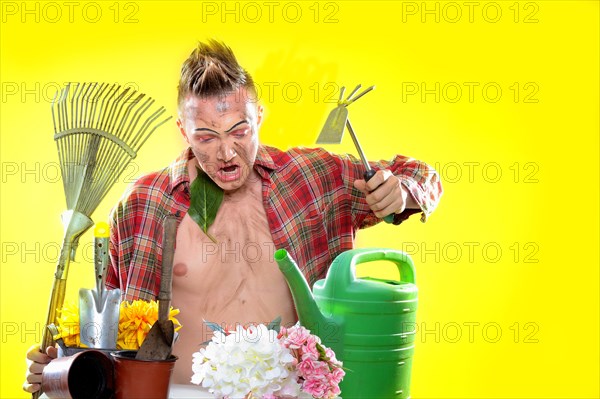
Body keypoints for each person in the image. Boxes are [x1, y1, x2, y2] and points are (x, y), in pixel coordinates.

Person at [24, 39, 443, 392]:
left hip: (295, 395)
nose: (226, 152)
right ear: (183, 130)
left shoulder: (313, 178)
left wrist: (402, 191)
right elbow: (110, 332)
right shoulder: (144, 203)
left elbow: (422, 174)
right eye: (206, 136)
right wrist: (60, 367)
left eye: (239, 131)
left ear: (259, 116)